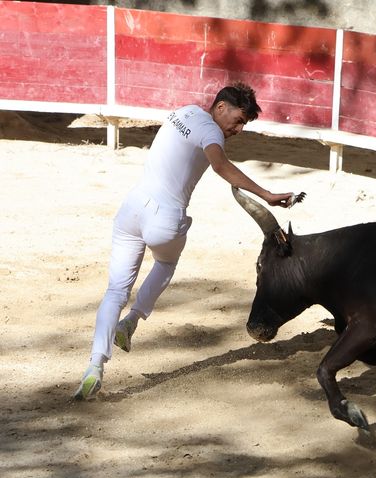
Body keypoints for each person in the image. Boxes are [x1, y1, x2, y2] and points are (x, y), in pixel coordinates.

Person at [74, 82, 297, 400]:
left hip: (132, 208)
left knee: (114, 292)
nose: (239, 128)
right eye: (239, 119)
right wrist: (267, 194)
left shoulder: (184, 112)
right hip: (165, 218)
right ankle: (133, 321)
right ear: (221, 107)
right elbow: (220, 165)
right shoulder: (213, 132)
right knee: (165, 263)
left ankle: (94, 366)